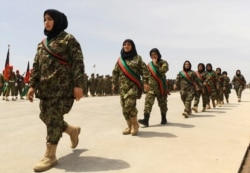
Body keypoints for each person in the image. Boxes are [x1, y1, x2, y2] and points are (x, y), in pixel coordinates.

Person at [26, 9, 85, 172]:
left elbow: (78, 62)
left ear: (57, 21)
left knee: (52, 118)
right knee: (44, 115)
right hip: (45, 89)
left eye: (50, 19)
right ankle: (72, 130)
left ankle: (50, 156)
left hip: (62, 88)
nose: (46, 22)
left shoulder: (68, 39)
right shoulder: (42, 44)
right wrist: (32, 86)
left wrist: (78, 84)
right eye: (44, 19)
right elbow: (36, 66)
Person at [112, 39, 150, 135]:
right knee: (124, 108)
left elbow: (144, 70)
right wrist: (114, 83)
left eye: (128, 44)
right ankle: (129, 126)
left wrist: (146, 82)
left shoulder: (137, 58)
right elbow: (115, 72)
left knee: (130, 105)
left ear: (132, 46)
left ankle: (135, 125)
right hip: (122, 88)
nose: (126, 46)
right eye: (124, 45)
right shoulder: (120, 60)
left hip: (133, 86)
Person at [138, 48, 169, 127]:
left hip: (161, 87)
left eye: (155, 54)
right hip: (151, 87)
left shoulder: (163, 62)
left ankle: (163, 118)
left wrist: (155, 65)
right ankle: (146, 120)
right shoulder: (149, 65)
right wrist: (145, 83)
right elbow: (145, 75)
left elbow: (163, 71)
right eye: (152, 55)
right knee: (148, 103)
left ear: (158, 54)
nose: (153, 56)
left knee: (162, 104)